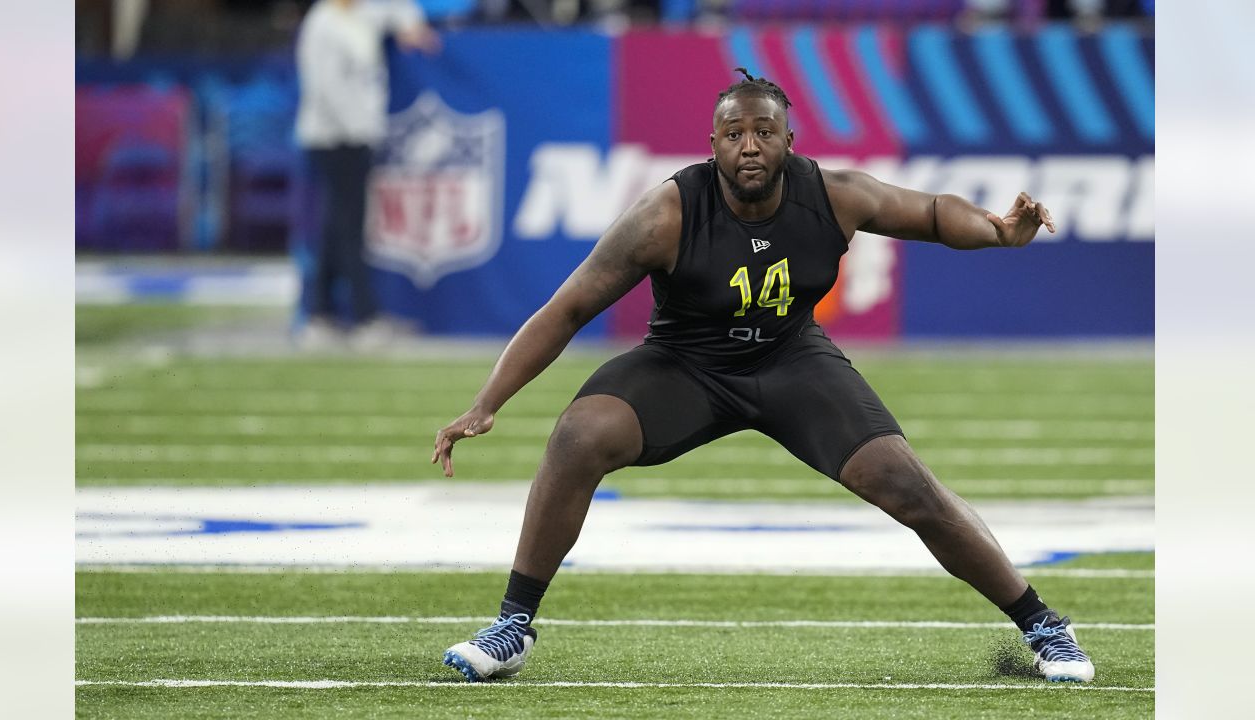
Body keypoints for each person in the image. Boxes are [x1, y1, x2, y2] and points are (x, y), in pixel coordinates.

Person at [432, 69, 1095, 684]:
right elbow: (567, 307)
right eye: (734, 134)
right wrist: (487, 402)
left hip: (791, 361)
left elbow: (926, 213)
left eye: (763, 133)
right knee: (578, 436)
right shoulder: (666, 214)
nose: (749, 146)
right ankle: (513, 626)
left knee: (905, 483)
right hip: (686, 365)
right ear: (712, 143)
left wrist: (997, 229)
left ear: (789, 141)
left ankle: (1043, 626)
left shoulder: (833, 196)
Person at [294, 0, 438, 350]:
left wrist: (412, 26)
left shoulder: (360, 15)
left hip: (357, 136)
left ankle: (320, 314)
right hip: (335, 139)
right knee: (349, 227)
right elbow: (323, 87)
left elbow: (396, 8)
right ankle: (363, 317)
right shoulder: (322, 23)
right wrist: (360, 130)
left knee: (336, 225)